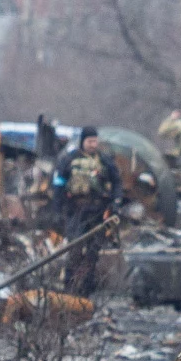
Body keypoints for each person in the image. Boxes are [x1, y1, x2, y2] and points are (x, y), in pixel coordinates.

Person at [50, 124, 121, 293]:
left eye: (95, 141)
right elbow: (59, 183)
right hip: (76, 210)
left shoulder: (104, 160)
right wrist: (57, 208)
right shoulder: (69, 159)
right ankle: (69, 286)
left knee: (93, 251)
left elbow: (117, 181)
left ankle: (87, 288)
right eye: (90, 141)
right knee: (74, 248)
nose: (93, 145)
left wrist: (116, 202)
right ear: (83, 141)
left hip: (97, 211)